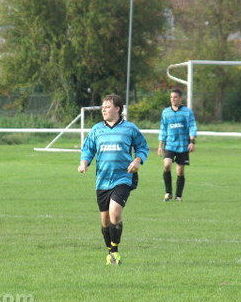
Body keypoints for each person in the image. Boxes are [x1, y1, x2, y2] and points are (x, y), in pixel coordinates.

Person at [78, 94, 149, 265]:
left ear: (117, 109)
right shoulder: (96, 130)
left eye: (107, 107)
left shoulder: (130, 128)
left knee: (115, 214)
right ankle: (110, 252)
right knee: (105, 220)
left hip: (123, 178)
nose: (104, 110)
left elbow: (142, 147)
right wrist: (84, 163)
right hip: (102, 180)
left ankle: (115, 251)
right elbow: (88, 149)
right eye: (102, 107)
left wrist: (137, 161)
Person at [158, 88, 197, 202]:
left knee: (180, 171)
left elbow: (192, 127)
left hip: (182, 146)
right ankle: (168, 192)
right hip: (170, 144)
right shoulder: (166, 112)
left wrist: (192, 142)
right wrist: (160, 145)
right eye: (171, 97)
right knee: (167, 165)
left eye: (175, 97)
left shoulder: (187, 112)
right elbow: (163, 129)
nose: (173, 99)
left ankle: (178, 196)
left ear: (180, 98)